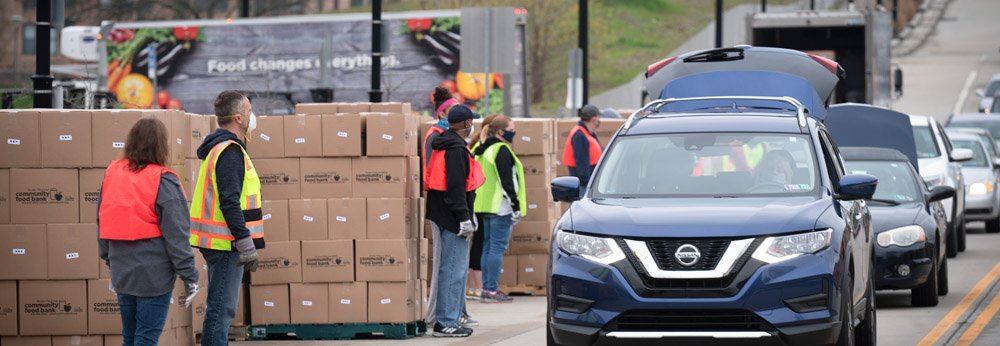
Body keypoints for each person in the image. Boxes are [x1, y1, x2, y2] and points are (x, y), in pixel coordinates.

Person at [98, 118, 199, 346]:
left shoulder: (113, 175)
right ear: (161, 145)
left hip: (122, 270)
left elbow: (102, 221)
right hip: (153, 275)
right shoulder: (163, 181)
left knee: (131, 337)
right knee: (146, 338)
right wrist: (190, 276)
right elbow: (178, 237)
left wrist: (109, 261)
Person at [191, 90, 265, 346]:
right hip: (226, 243)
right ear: (238, 118)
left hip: (221, 241)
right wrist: (245, 243)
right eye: (249, 111)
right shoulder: (230, 151)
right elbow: (230, 202)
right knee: (221, 312)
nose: (252, 115)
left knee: (221, 309)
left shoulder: (219, 147)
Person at [425, 104, 484, 337]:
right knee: (453, 269)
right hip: (451, 216)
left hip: (443, 212)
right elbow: (457, 187)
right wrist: (464, 217)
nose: (473, 125)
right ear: (467, 124)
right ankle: (446, 322)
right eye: (472, 122)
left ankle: (448, 319)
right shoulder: (457, 149)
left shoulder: (445, 142)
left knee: (451, 268)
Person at [472, 115, 526, 303]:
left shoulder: (480, 149)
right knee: (496, 247)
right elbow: (507, 181)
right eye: (512, 128)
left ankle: (487, 289)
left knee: (488, 247)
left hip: (483, 206)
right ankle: (491, 290)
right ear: (501, 132)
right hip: (500, 208)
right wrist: (515, 205)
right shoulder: (501, 150)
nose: (514, 132)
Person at [464, 114, 501, 302]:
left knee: (478, 244)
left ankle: (474, 286)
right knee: (482, 244)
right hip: (484, 202)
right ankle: (478, 286)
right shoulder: (487, 149)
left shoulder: (477, 146)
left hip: (477, 201)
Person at [563, 104, 603, 187]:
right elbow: (582, 163)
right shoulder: (580, 135)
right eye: (598, 117)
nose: (599, 120)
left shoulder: (587, 133)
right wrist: (588, 185)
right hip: (584, 185)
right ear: (594, 118)